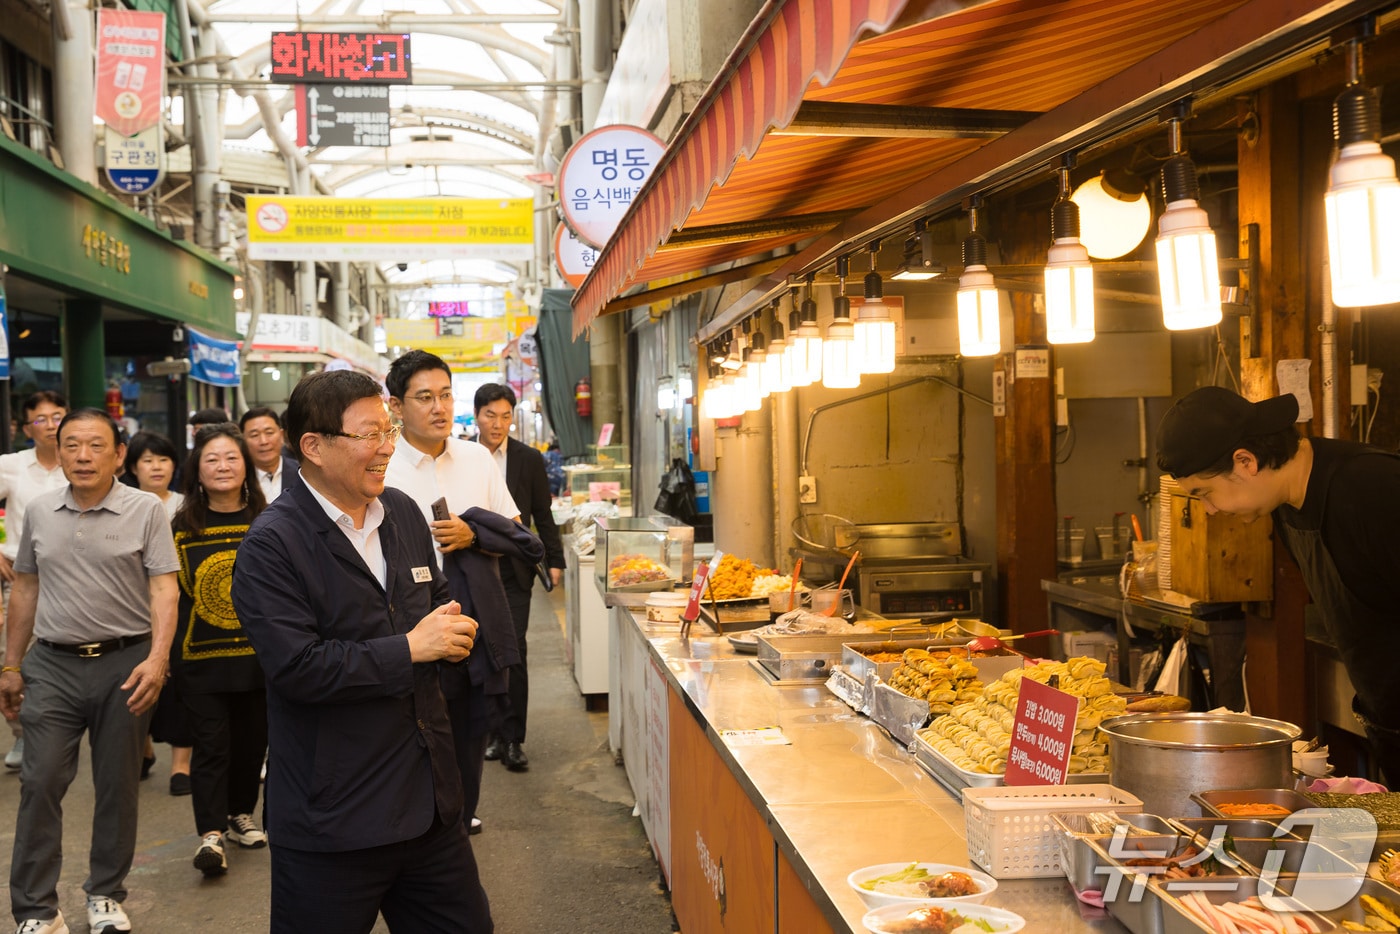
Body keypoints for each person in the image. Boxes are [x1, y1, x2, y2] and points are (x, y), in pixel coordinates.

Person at [229, 370, 492, 933]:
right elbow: (298, 668)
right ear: (314, 448)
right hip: (335, 820)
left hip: (428, 807)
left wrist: (453, 632)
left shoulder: (400, 513)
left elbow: (436, 602)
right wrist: (411, 648)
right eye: (369, 434)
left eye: (388, 429)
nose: (388, 447)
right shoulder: (271, 545)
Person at [1156, 385, 1400, 783]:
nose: (1211, 510)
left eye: (1205, 493)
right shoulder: (1286, 505)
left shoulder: (1371, 487)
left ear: (1246, 461)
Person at [0, 409, 179, 934]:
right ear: (59, 450)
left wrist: (159, 657)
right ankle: (36, 909)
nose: (82, 455)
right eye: (71, 444)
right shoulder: (37, 509)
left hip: (126, 663)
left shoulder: (145, 509)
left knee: (118, 784)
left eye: (96, 445)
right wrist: (11, 665)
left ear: (118, 455)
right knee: (40, 781)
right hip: (52, 664)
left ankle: (105, 893)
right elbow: (26, 589)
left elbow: (164, 588)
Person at [384, 351, 520, 833]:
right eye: (425, 397)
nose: (439, 407)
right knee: (414, 726)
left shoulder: (476, 457)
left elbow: (514, 528)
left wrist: (473, 535)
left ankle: (459, 819)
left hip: (472, 617)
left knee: (469, 724)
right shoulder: (381, 464)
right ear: (396, 407)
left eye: (445, 395)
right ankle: (422, 824)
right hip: (406, 622)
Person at [171, 423, 269, 876]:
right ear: (197, 470)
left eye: (231, 457)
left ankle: (238, 814)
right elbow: (169, 597)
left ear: (246, 466)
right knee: (212, 746)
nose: (222, 466)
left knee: (252, 745)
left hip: (260, 660)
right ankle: (210, 834)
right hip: (201, 660)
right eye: (212, 459)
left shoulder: (267, 521)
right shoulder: (180, 527)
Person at [474, 384, 565, 774]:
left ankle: (513, 738)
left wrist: (555, 559)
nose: (498, 424)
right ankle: (491, 732)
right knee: (482, 652)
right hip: (475, 568)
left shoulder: (528, 459)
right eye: (490, 415)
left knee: (514, 652)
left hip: (514, 571)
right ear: (477, 416)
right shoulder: (465, 457)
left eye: (505, 416)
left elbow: (542, 514)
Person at [0, 392, 70, 772]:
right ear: (28, 428)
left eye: (57, 415)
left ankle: (51, 727)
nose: (51, 424)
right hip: (20, 575)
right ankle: (21, 734)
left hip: (70, 576)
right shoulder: (11, 466)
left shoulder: (80, 461)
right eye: (40, 419)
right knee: (11, 658)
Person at [122, 431, 191, 792]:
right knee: (136, 681)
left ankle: (181, 765)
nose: (156, 466)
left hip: (181, 607)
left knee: (180, 684)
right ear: (133, 466)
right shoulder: (124, 505)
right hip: (133, 610)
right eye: (147, 460)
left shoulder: (186, 504)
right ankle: (144, 749)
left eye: (162, 459)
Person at [239, 407, 300, 503]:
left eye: (269, 433)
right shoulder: (238, 478)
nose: (263, 441)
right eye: (254, 435)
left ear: (281, 435)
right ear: (243, 440)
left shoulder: (303, 473)